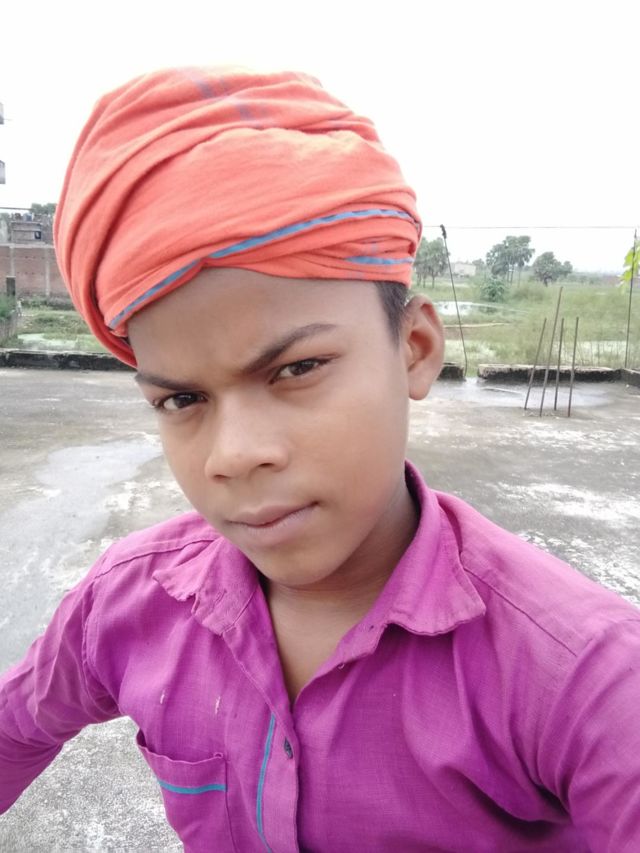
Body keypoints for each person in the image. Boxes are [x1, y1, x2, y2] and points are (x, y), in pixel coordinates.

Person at [1, 67, 639, 852]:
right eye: (182, 400)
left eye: (297, 369)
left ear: (415, 348)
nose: (236, 456)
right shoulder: (126, 606)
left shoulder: (580, 674)